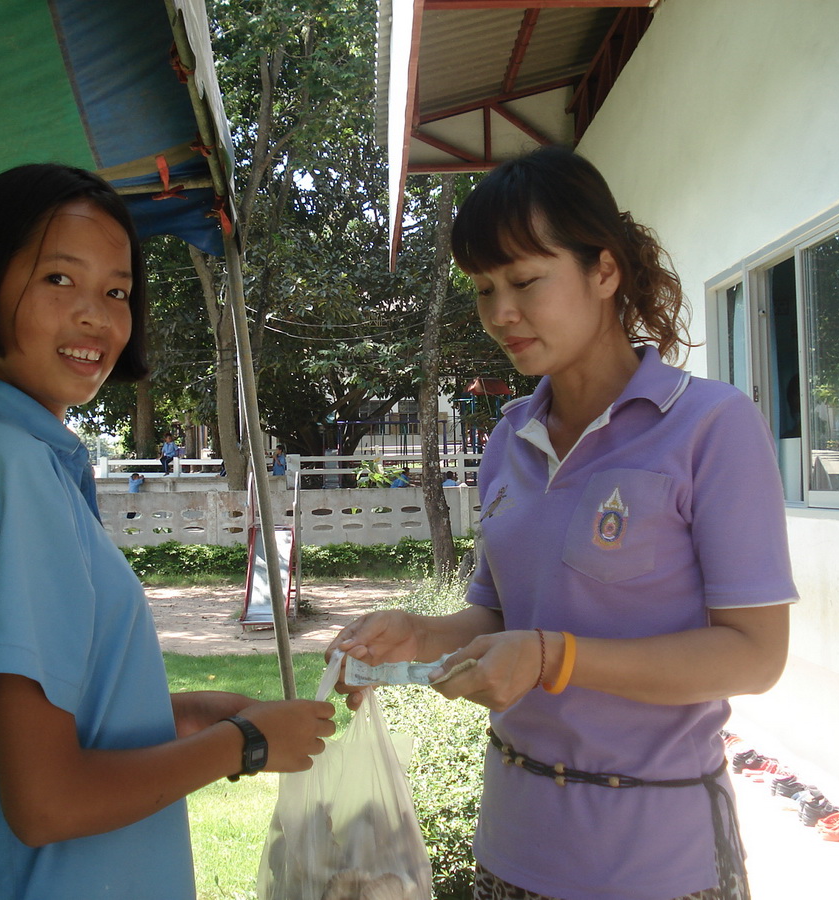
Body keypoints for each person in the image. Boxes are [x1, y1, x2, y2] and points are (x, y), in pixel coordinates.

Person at [329, 146, 795, 900]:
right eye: (484, 289)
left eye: (524, 281)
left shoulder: (711, 426)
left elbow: (755, 655)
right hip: (512, 849)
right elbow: (499, 614)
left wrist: (556, 657)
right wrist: (420, 634)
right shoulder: (509, 438)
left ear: (604, 271)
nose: (499, 314)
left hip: (660, 862)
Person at [0, 163, 335, 900]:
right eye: (58, 279)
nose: (97, 317)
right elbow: (47, 802)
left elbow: (48, 723)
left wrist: (191, 716)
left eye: (116, 292)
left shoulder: (16, 456)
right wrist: (244, 745)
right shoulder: (9, 466)